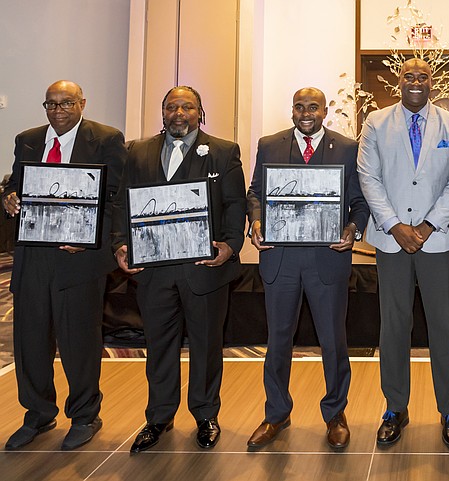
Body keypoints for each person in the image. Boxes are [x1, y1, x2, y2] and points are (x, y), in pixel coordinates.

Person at [112, 86, 247, 453]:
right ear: (163, 113)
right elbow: (122, 202)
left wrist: (231, 246)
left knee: (206, 345)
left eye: (188, 106)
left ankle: (205, 415)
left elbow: (236, 204)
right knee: (158, 346)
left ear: (200, 113)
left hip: (204, 269)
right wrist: (121, 243)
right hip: (153, 271)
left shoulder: (222, 151)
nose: (179, 113)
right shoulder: (138, 151)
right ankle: (158, 417)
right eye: (172, 106)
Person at [2, 80, 126, 451]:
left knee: (79, 343)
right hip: (33, 258)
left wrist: (91, 240)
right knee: (30, 341)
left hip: (78, 258)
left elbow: (117, 199)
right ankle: (38, 414)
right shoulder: (27, 139)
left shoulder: (106, 139)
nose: (58, 111)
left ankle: (85, 414)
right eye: (51, 104)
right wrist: (8, 200)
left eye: (66, 103)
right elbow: (17, 189)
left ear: (82, 104)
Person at [245, 87, 369, 450]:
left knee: (333, 341)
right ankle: (276, 414)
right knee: (277, 342)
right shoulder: (269, 144)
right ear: (292, 110)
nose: (305, 112)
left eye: (313, 107)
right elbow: (255, 192)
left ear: (325, 111)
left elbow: (359, 201)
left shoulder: (346, 147)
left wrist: (353, 229)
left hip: (327, 259)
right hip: (280, 257)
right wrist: (255, 221)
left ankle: (335, 414)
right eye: (299, 106)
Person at [357, 58, 449, 448]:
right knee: (393, 327)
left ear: (432, 82)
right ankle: (395, 408)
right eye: (409, 75)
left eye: (424, 76)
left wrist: (425, 227)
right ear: (398, 81)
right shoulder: (375, 122)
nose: (416, 81)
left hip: (437, 240)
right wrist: (394, 225)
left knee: (444, 328)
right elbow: (368, 177)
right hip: (391, 241)